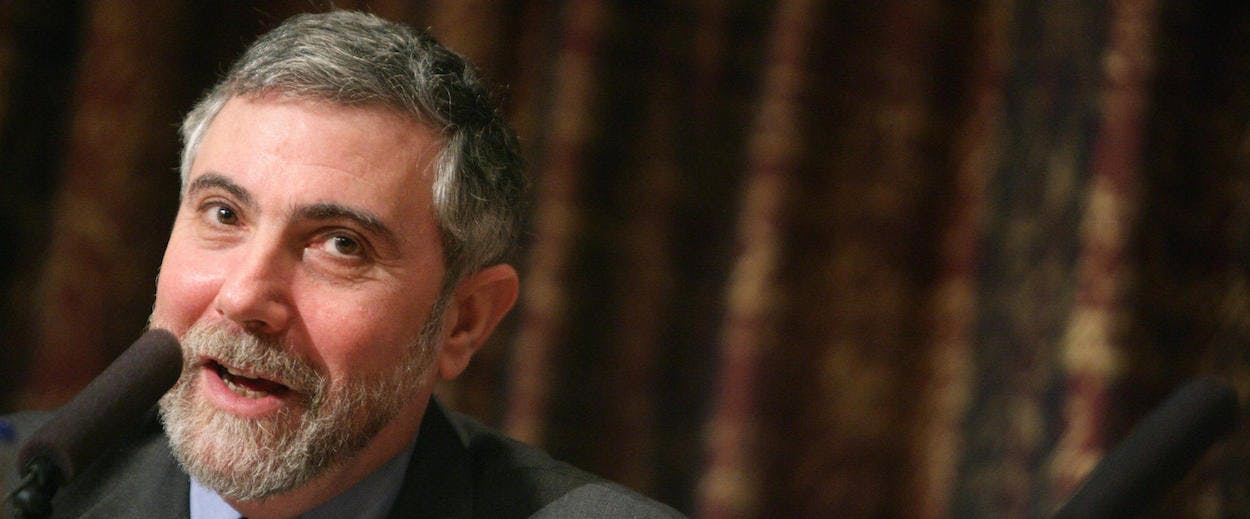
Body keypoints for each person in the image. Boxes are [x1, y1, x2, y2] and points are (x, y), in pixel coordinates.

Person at [2, 10, 683, 519]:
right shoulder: (24, 491)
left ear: (463, 321)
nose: (244, 297)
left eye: (341, 245)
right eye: (224, 214)